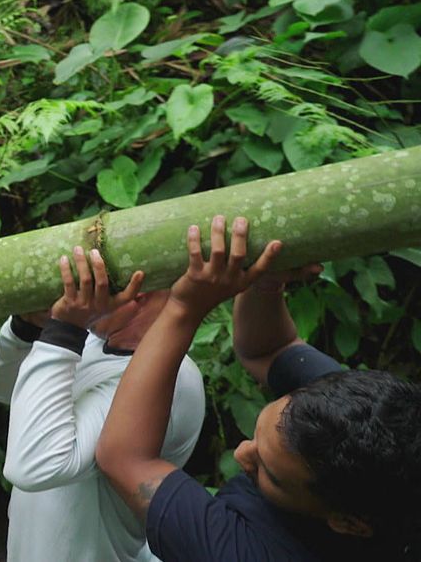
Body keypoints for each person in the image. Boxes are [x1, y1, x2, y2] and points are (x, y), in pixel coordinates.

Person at [96, 215, 421, 561]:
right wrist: (265, 285)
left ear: (349, 524)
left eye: (271, 473)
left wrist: (184, 308)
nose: (242, 453)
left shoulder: (247, 553)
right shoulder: (375, 422)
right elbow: (269, 351)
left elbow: (123, 457)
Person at [0, 245, 205, 561]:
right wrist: (28, 327)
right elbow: (4, 389)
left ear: (137, 294)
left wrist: (64, 330)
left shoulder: (171, 380)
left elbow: (36, 466)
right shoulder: (93, 340)